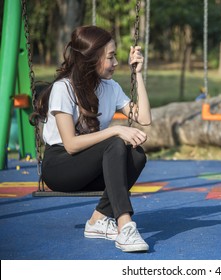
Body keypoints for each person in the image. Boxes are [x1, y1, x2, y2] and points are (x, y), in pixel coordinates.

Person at [30, 26, 152, 252]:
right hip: (60, 166)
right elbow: (71, 145)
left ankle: (97, 220)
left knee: (136, 155)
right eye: (111, 57)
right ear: (90, 59)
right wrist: (115, 130)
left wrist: (138, 73)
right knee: (116, 142)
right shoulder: (62, 89)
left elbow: (144, 118)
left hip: (91, 165)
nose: (116, 62)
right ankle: (125, 225)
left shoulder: (110, 87)